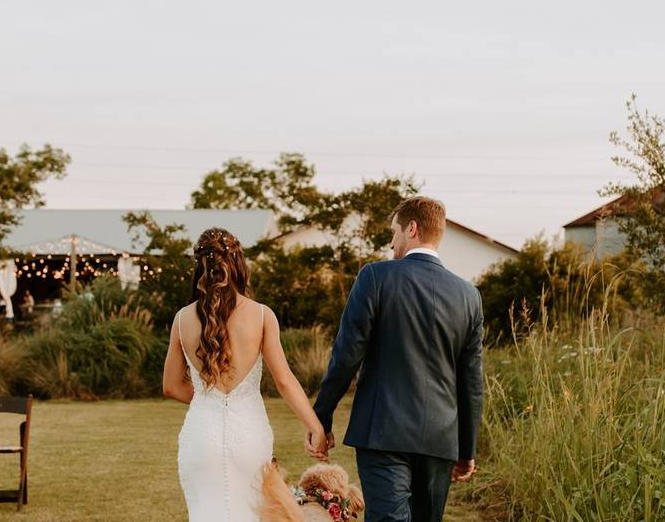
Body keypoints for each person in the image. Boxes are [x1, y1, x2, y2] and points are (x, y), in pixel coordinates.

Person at [311, 196, 485, 522]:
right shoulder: (469, 296)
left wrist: (322, 417)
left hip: (383, 431)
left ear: (412, 228)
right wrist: (466, 448)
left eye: (394, 233)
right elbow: (471, 381)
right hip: (440, 439)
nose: (392, 243)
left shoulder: (375, 277)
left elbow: (347, 354)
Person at [162, 228, 328, 522]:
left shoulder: (181, 319)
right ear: (238, 264)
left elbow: (171, 386)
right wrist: (315, 426)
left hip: (201, 435)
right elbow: (284, 381)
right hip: (250, 434)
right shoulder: (262, 315)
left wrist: (207, 399)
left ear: (199, 266)